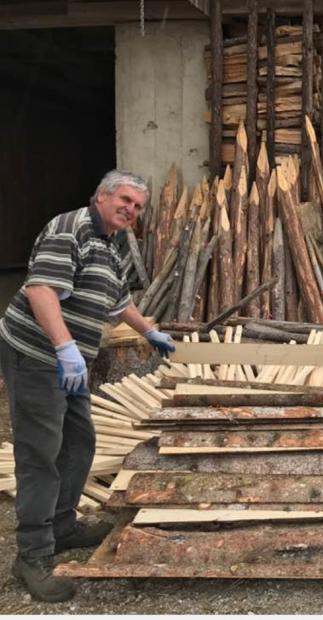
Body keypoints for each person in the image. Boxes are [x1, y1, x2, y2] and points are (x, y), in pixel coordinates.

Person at [0, 170, 176, 601]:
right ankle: (33, 555)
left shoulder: (110, 244)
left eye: (137, 206)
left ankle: (62, 525)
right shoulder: (71, 229)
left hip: (69, 363)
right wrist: (64, 347)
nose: (130, 210)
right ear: (101, 196)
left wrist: (147, 331)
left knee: (78, 443)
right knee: (41, 453)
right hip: (38, 357)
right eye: (124, 200)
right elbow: (41, 290)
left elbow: (117, 300)